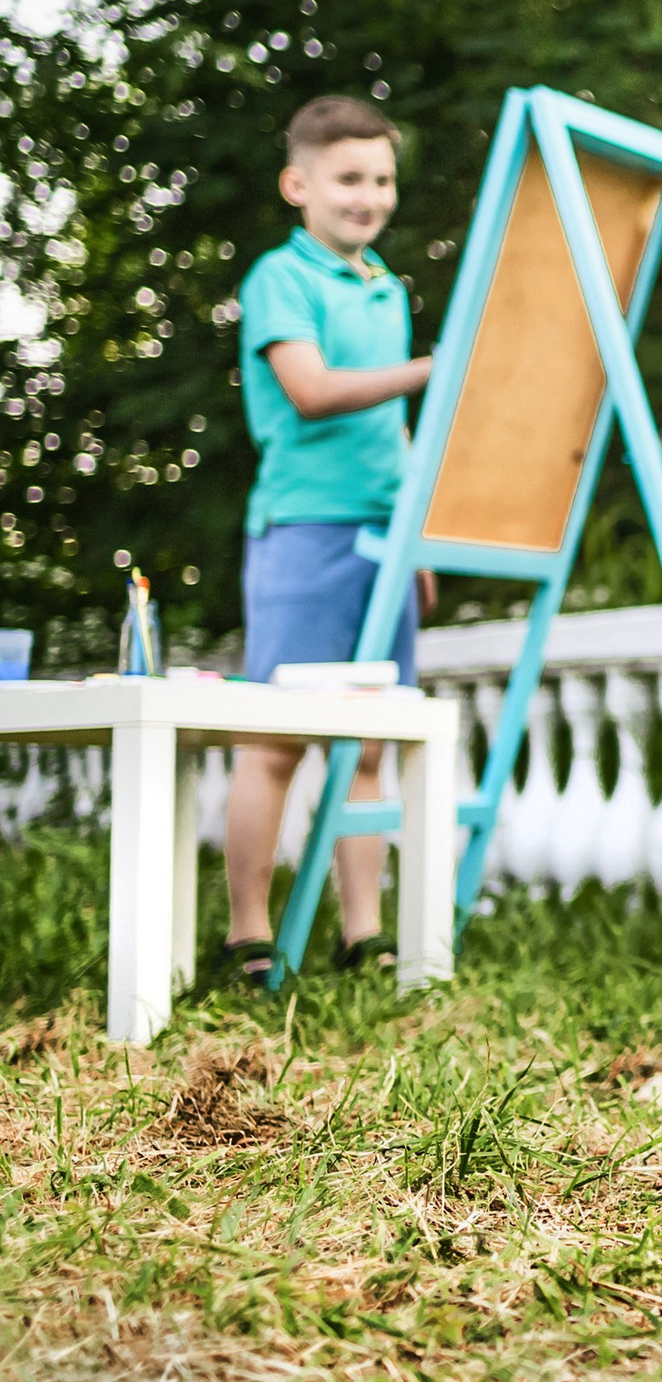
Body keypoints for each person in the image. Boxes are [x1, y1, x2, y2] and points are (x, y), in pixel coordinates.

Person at [219, 95, 435, 985]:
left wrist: (417, 536)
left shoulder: (387, 286)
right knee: (275, 738)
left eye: (382, 179)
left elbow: (396, 429)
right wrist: (436, 368)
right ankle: (246, 934)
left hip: (386, 535)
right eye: (349, 178)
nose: (369, 196)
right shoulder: (282, 276)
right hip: (305, 529)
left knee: (371, 743)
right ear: (297, 185)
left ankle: (362, 934)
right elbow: (310, 390)